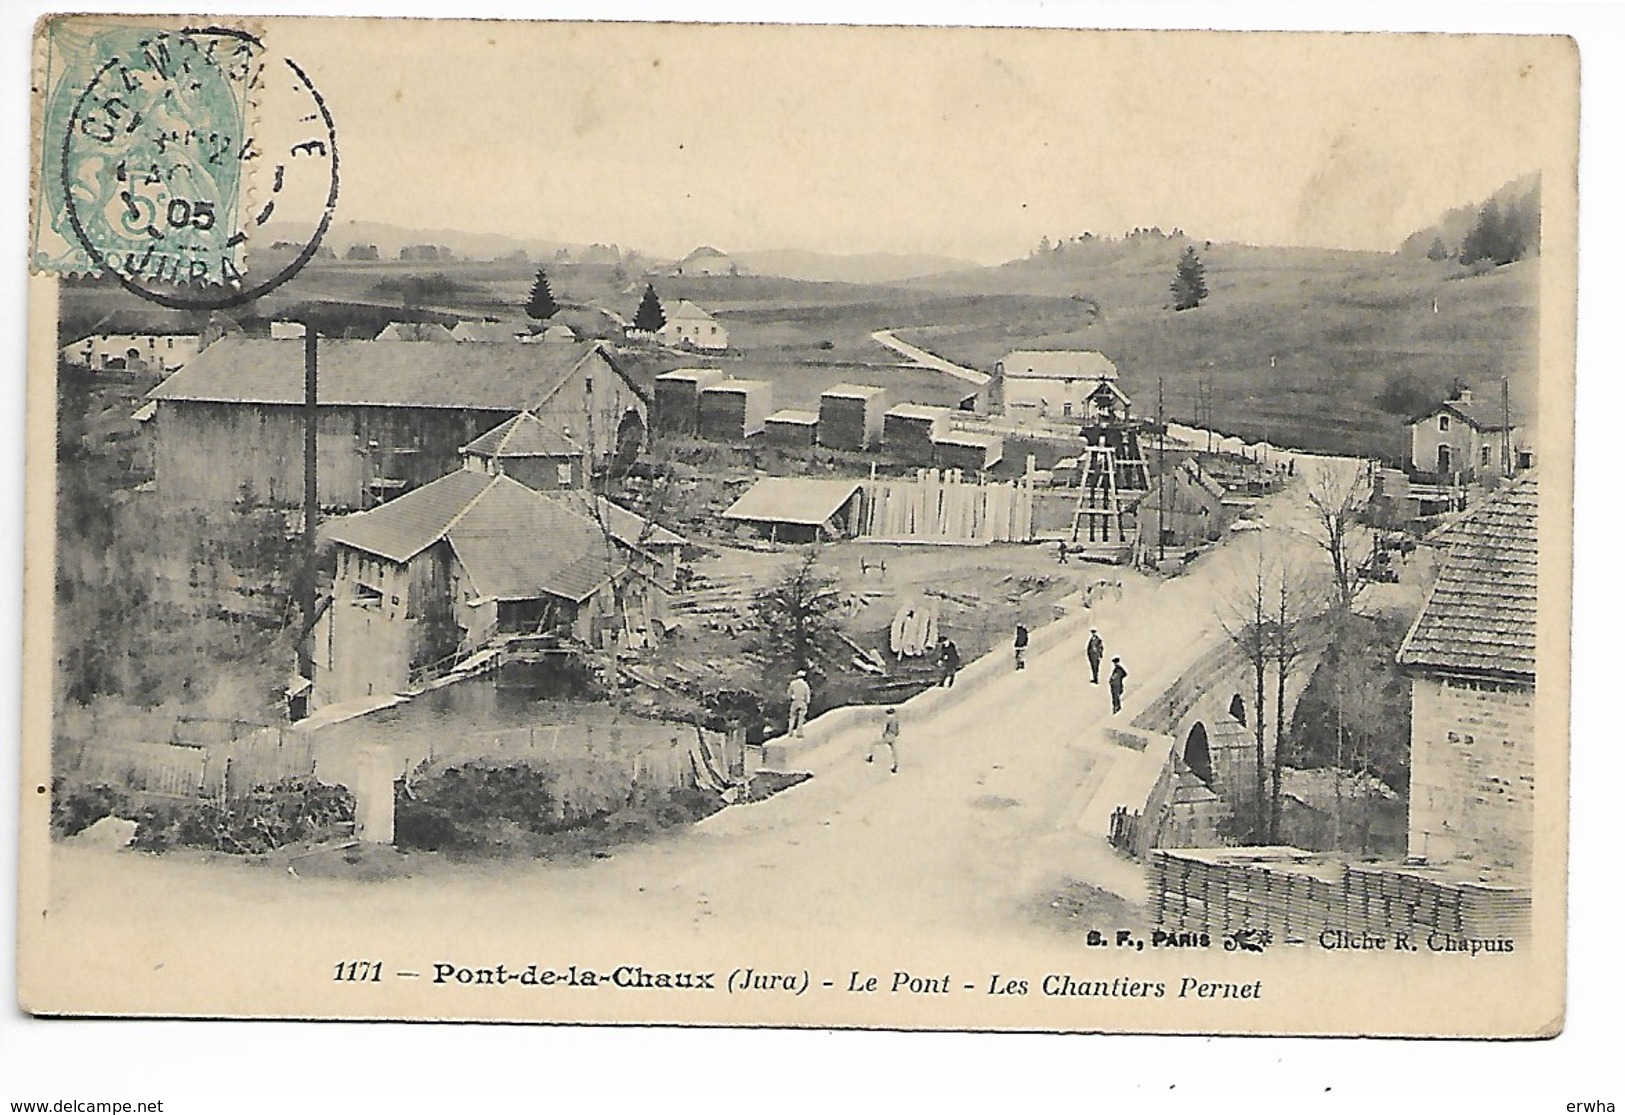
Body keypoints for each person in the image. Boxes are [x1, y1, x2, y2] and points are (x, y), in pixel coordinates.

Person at [868, 708, 900, 773]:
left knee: (874, 743)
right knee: (893, 751)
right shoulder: (896, 720)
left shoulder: (888, 719)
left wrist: (884, 734)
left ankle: (871, 756)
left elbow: (885, 728)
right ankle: (895, 765)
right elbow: (897, 731)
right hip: (893, 737)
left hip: (888, 736)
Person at [787, 671, 812, 738]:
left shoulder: (793, 683)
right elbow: (807, 695)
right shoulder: (805, 685)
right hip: (802, 702)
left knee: (792, 716)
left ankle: (790, 731)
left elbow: (789, 693)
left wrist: (790, 698)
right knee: (801, 718)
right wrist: (807, 702)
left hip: (795, 701)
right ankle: (799, 732)